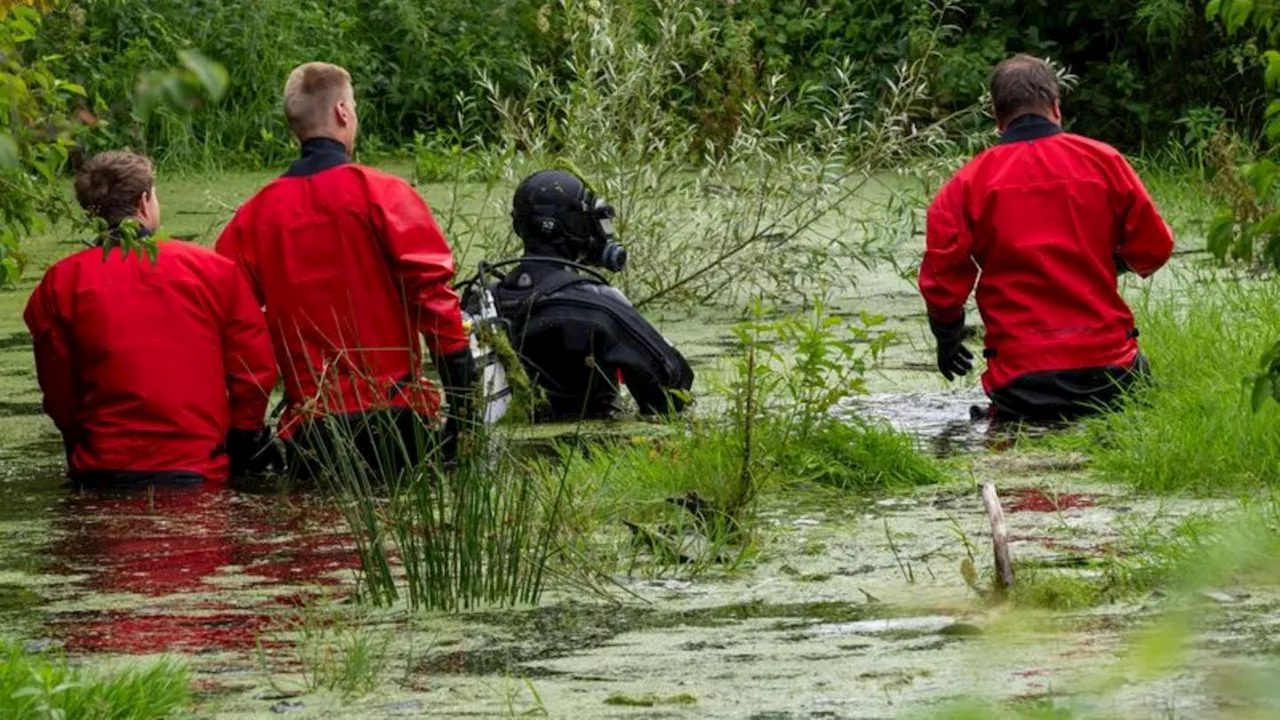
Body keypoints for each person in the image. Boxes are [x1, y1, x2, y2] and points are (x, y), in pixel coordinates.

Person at [215, 62, 476, 476]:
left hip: (312, 431)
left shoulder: (254, 218)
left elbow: (236, 330)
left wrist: (245, 432)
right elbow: (434, 301)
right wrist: (465, 409)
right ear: (342, 112)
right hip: (397, 419)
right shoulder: (385, 194)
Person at [918, 55, 1174, 422]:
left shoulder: (964, 185)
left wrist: (947, 338)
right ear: (1056, 106)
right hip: (1110, 373)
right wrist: (1102, 263)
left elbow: (942, 279)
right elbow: (1155, 247)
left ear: (996, 116)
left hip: (1021, 384)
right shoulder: (1106, 162)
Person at [24, 151, 279, 486]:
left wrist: (79, 441)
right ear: (145, 202)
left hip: (102, 471)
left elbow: (59, 392)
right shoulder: (213, 272)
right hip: (195, 470)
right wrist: (244, 438)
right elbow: (253, 371)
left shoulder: (60, 284)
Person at [467, 169, 694, 421]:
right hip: (586, 452)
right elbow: (672, 392)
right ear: (574, 224)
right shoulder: (597, 306)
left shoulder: (481, 302)